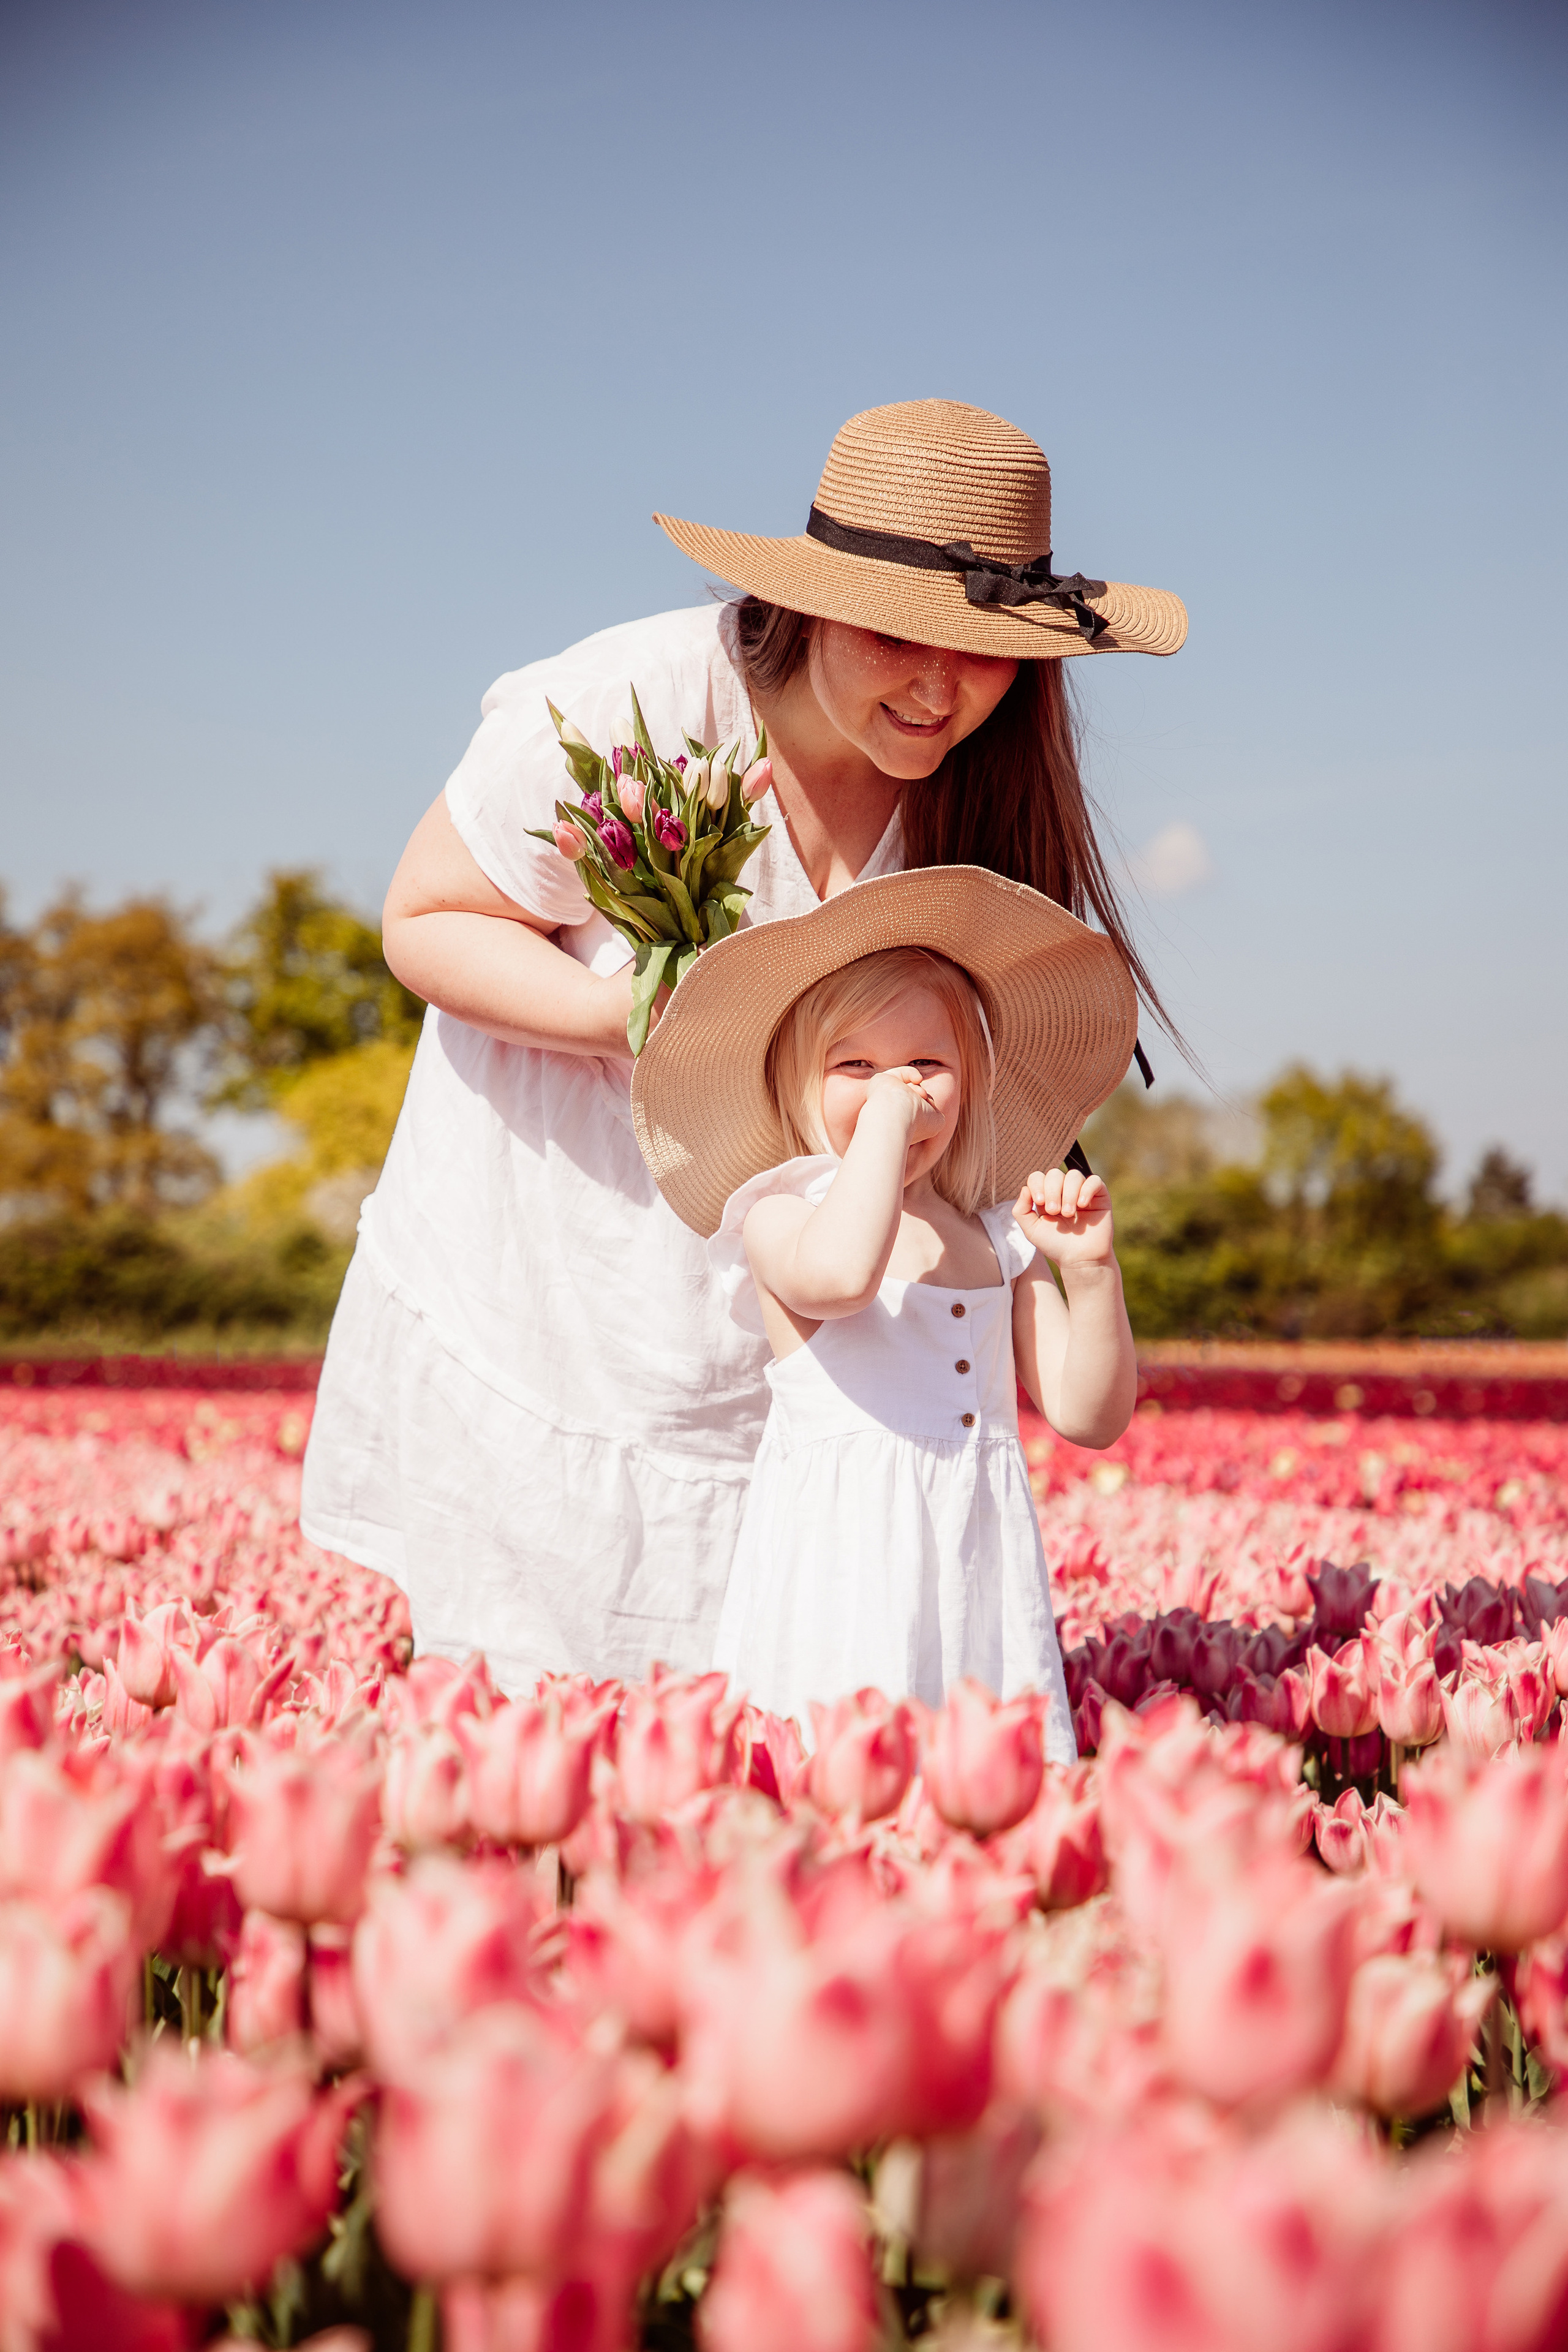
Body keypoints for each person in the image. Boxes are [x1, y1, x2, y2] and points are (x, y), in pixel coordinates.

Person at [300, 399, 1186, 1692]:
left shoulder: (980, 783)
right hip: (560, 1260)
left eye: (986, 652)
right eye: (898, 636)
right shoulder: (633, 703)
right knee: (535, 1704)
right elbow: (424, 919)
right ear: (815, 600)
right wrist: (638, 1018)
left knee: (762, 1723)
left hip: (790, 1324)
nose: (939, 689)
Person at [630, 867, 1140, 1754]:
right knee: (844, 1774)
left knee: (973, 1781)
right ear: (798, 1082)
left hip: (974, 1571)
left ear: (971, 1083)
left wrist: (1091, 1273)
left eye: (926, 1066)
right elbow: (841, 1279)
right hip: (845, 1568)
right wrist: (884, 1123)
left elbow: (1089, 1415)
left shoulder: (998, 1240)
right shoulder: (780, 1217)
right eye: (855, 1067)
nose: (893, 1089)